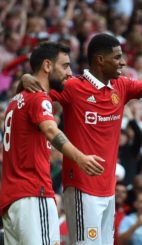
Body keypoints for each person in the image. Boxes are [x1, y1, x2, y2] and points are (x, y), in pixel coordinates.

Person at [22, 32, 142, 244]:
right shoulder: (72, 87)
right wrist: (26, 78)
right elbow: (37, 90)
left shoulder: (122, 86)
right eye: (117, 57)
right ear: (100, 60)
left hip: (108, 189)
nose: (123, 62)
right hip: (82, 187)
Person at [0, 42, 104, 245]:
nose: (70, 73)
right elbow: (50, 129)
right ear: (47, 65)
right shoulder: (39, 99)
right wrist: (80, 158)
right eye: (65, 66)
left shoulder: (15, 101)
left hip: (12, 200)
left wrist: (24, 78)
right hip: (34, 194)